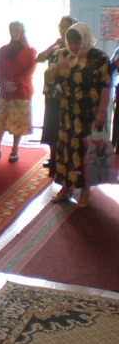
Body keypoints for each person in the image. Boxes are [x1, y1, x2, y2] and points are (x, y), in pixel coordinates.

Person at [46, 23, 110, 208]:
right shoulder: (63, 55)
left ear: (86, 39)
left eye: (77, 42)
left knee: (86, 151)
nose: (74, 46)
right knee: (66, 150)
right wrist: (58, 67)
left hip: (89, 114)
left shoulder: (99, 58)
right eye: (71, 42)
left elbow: (106, 86)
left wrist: (101, 112)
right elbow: (49, 79)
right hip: (67, 113)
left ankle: (86, 189)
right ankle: (66, 187)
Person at [0, 22, 36, 163]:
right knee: (0, 121)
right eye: (11, 30)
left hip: (21, 92)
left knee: (18, 123)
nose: (14, 33)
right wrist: (4, 83)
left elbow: (29, 72)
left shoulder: (30, 51)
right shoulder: (3, 50)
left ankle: (14, 151)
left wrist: (15, 84)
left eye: (16, 30)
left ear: (22, 31)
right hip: (5, 91)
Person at [36, 15, 78, 170]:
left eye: (67, 26)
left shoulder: (75, 47)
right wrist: (54, 43)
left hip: (66, 93)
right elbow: (39, 58)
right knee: (51, 124)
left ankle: (63, 157)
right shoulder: (56, 46)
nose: (63, 29)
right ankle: (53, 156)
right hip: (51, 92)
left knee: (63, 126)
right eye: (61, 26)